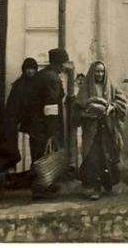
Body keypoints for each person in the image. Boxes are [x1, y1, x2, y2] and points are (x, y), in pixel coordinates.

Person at [75, 60, 128, 200]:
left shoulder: (111, 84)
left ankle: (108, 185)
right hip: (92, 130)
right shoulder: (86, 87)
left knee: (108, 157)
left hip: (107, 129)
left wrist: (112, 107)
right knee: (93, 158)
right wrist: (87, 113)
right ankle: (96, 188)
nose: (99, 74)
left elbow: (122, 102)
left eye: (102, 71)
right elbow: (78, 108)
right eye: (97, 71)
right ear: (92, 72)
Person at [29, 48, 72, 199]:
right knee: (42, 156)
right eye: (65, 62)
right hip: (44, 125)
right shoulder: (52, 78)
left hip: (36, 123)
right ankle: (40, 190)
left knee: (39, 154)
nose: (66, 66)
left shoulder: (42, 74)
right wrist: (52, 131)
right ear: (60, 63)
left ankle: (45, 184)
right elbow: (51, 106)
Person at [5, 58, 39, 174]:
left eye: (33, 69)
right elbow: (13, 106)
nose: (30, 71)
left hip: (34, 120)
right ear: (24, 70)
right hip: (21, 120)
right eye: (28, 69)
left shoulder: (38, 83)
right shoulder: (19, 85)